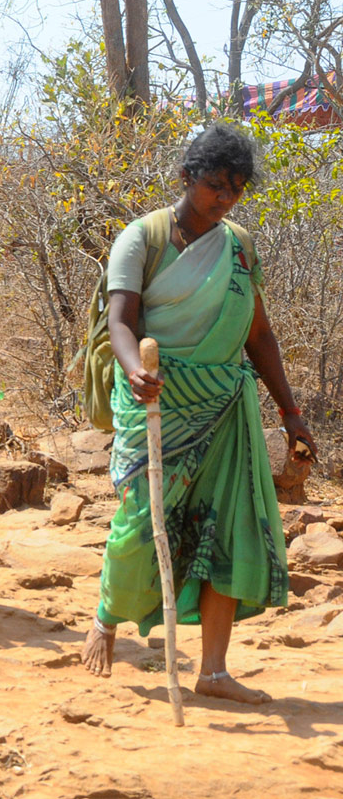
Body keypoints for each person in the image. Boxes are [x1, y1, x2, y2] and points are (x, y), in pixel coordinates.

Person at [80, 124, 315, 704]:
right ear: (186, 177)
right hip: (156, 401)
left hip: (225, 405)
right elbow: (120, 319)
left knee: (227, 525)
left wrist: (290, 413)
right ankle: (107, 618)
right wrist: (135, 369)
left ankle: (213, 669)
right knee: (141, 523)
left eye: (235, 189)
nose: (224, 199)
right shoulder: (143, 238)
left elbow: (258, 333)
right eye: (214, 185)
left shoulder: (239, 246)